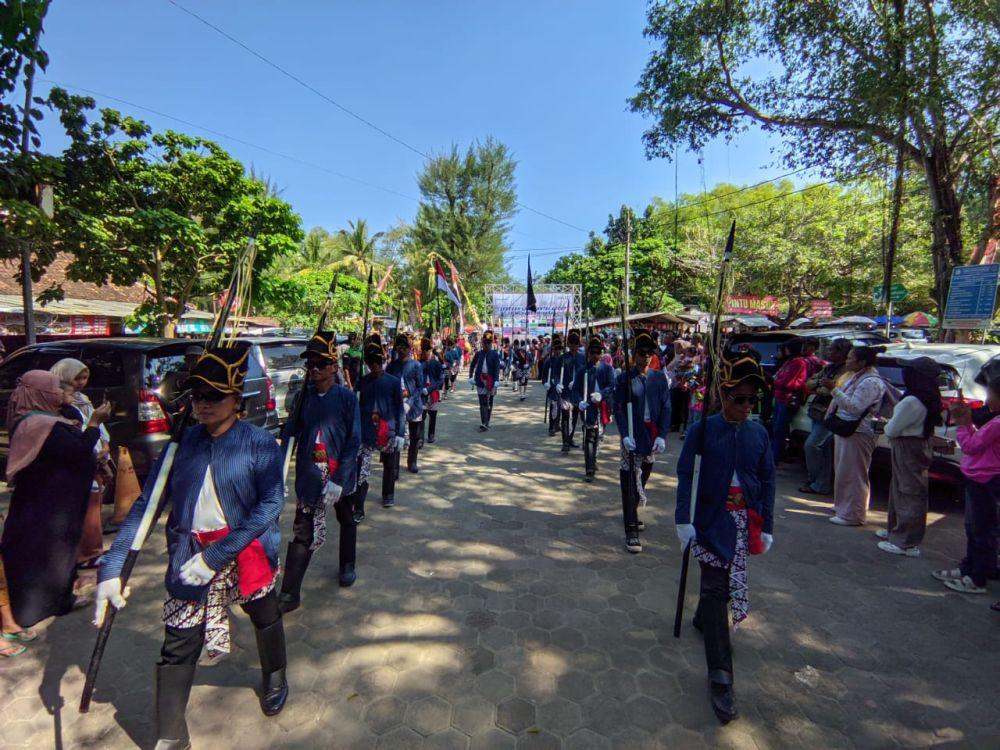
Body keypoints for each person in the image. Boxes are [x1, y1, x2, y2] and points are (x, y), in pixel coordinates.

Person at [96, 344, 290, 747]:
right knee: (179, 640)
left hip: (243, 550)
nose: (203, 405)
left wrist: (219, 555)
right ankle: (171, 735)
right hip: (189, 556)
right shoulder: (180, 447)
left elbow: (271, 504)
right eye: (197, 396)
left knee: (264, 613)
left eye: (213, 396)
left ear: (236, 400)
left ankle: (274, 674)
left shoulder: (258, 444)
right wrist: (112, 568)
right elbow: (146, 508)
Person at [675, 352, 775, 724]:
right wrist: (682, 520)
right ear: (723, 395)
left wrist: (768, 525)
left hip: (743, 523)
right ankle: (721, 675)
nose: (746, 407)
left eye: (753, 400)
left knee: (716, 592)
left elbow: (768, 481)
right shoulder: (703, 429)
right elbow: (686, 474)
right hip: (708, 522)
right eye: (739, 399)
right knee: (717, 589)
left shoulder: (759, 433)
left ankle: (704, 617)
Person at [0, 371, 111, 628]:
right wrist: (94, 423)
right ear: (40, 393)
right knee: (40, 556)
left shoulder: (49, 420)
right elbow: (79, 451)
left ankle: (59, 600)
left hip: (55, 505)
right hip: (41, 508)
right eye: (55, 389)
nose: (60, 393)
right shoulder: (39, 425)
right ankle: (33, 610)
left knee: (59, 553)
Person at [278, 332, 362, 614]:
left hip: (339, 474)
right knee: (302, 531)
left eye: (320, 363)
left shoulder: (347, 399)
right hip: (311, 475)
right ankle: (290, 592)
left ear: (333, 366)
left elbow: (354, 440)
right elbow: (291, 432)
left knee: (347, 517)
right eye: (310, 364)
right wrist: (278, 468)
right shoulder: (304, 397)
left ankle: (347, 564)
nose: (314, 369)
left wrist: (340, 479)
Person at [932, 379, 1000, 595]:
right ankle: (970, 568)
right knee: (974, 528)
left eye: (991, 394)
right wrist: (967, 421)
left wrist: (962, 422)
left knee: (981, 530)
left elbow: (971, 446)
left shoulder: (997, 424)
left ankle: (976, 578)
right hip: (978, 478)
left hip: (985, 480)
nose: (987, 399)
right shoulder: (994, 421)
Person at [51, 358, 113, 571]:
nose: (81, 383)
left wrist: (104, 445)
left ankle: (92, 550)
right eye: (76, 378)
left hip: (92, 458)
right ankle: (85, 553)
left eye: (84, 378)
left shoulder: (82, 400)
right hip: (76, 465)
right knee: (84, 509)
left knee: (93, 506)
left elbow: (96, 426)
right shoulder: (58, 405)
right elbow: (84, 432)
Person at [877, 357, 942, 556]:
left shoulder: (913, 400)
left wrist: (885, 424)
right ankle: (895, 530)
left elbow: (893, 429)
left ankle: (905, 541)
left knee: (909, 492)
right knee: (900, 489)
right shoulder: (926, 396)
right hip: (915, 445)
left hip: (908, 446)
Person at [614, 331, 671, 553]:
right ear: (634, 353)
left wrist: (663, 435)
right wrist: (624, 435)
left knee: (643, 477)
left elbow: (666, 408)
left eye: (649, 352)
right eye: (641, 352)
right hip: (632, 434)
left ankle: (632, 512)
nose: (645, 356)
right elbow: (619, 408)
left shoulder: (659, 378)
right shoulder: (624, 378)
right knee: (629, 481)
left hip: (652, 435)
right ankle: (631, 530)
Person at [824, 345, 887, 526]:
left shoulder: (871, 382)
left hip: (858, 430)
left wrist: (833, 390)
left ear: (862, 362)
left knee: (855, 473)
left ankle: (853, 514)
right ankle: (843, 506)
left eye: (851, 358)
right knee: (843, 470)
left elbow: (854, 406)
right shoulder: (855, 376)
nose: (847, 361)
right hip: (845, 427)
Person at [357, 341, 407, 510]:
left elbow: (400, 408)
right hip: (366, 429)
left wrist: (400, 432)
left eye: (378, 363)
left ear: (382, 362)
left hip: (388, 428)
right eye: (371, 364)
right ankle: (359, 504)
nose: (375, 367)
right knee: (362, 469)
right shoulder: (362, 381)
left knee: (389, 464)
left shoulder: (393, 382)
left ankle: (388, 494)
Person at [800, 338, 851, 496]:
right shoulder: (829, 368)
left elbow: (830, 390)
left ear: (842, 352)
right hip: (818, 412)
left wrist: (823, 386)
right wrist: (822, 385)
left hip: (832, 415)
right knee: (823, 450)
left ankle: (816, 480)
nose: (830, 353)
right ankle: (821, 483)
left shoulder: (847, 372)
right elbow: (809, 383)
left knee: (812, 445)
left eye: (833, 350)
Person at [577, 336, 615, 481]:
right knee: (589, 437)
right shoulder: (582, 371)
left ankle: (594, 458)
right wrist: (579, 401)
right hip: (588, 409)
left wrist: (602, 394)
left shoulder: (607, 369)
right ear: (588, 353)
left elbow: (612, 386)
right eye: (592, 352)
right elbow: (575, 390)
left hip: (604, 408)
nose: (595, 355)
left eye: (597, 352)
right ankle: (590, 468)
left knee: (599, 436)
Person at [386, 334, 425, 474]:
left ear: (409, 348)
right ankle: (394, 467)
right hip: (397, 405)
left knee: (414, 436)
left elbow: (420, 387)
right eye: (399, 347)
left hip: (413, 405)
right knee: (396, 435)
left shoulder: (416, 365)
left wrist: (410, 401)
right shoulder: (391, 366)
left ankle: (412, 461)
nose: (401, 350)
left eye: (404, 347)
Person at [770, 339, 809, 463]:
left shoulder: (799, 363)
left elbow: (787, 382)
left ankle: (775, 457)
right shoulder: (789, 361)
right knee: (776, 427)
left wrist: (776, 382)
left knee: (779, 429)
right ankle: (775, 454)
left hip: (787, 399)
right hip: (779, 397)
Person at [558, 331, 586, 452]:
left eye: (576, 343)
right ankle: (565, 441)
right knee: (565, 416)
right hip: (565, 391)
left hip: (577, 392)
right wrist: (557, 384)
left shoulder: (582, 358)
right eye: (571, 343)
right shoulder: (563, 358)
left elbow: (585, 373)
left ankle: (570, 437)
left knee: (574, 417)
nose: (574, 346)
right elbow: (556, 373)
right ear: (568, 344)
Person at [468, 331, 501, 431]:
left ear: (491, 343)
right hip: (480, 380)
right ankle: (483, 422)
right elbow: (472, 365)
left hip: (491, 381)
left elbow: (497, 368)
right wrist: (470, 376)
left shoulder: (495, 355)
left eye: (488, 343)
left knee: (489, 402)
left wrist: (496, 380)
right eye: (485, 342)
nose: (486, 345)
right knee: (482, 402)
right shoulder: (478, 354)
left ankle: (487, 421)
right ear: (482, 343)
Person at [420, 337, 445, 444]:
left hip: (433, 391)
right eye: (424, 350)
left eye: (428, 350)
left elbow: (441, 379)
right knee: (421, 416)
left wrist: (431, 388)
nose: (426, 352)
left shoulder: (436, 363)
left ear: (430, 350)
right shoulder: (419, 364)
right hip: (422, 392)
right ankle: (420, 438)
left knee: (433, 415)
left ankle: (431, 435)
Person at [541, 336, 564, 436]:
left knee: (560, 406)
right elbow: (544, 376)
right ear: (552, 349)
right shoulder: (548, 361)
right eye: (556, 349)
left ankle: (557, 424)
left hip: (561, 386)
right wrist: (546, 383)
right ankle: (552, 427)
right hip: (552, 387)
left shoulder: (564, 361)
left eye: (559, 349)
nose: (558, 351)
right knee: (553, 406)